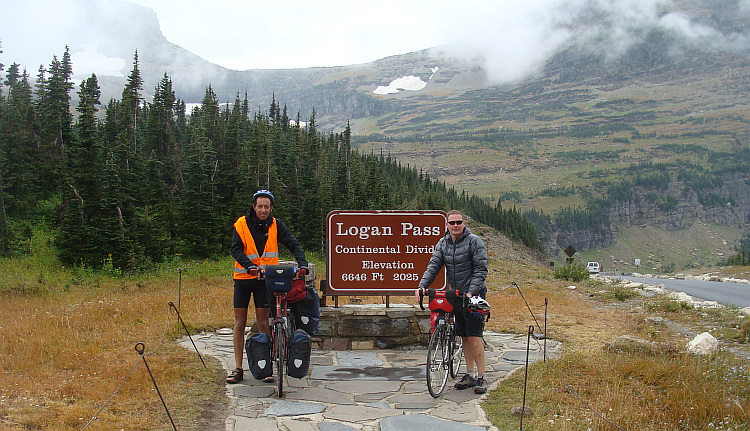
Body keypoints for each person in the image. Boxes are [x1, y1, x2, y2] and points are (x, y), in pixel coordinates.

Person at [227, 189, 308, 384]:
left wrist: (302, 264)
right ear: (253, 207)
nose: (263, 210)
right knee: (240, 323)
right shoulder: (241, 224)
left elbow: (293, 244)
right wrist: (249, 267)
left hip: (265, 281)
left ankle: (266, 366)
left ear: (271, 208)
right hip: (244, 279)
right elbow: (235, 249)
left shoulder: (276, 225)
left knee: (264, 322)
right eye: (260, 206)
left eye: (266, 207)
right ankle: (238, 368)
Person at [415, 210, 489, 394]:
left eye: (459, 222)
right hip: (455, 294)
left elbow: (481, 269)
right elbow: (434, 265)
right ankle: (469, 374)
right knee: (463, 335)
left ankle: (482, 377)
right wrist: (422, 286)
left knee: (474, 335)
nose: (455, 225)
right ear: (447, 225)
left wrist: (472, 292)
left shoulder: (474, 241)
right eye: (452, 223)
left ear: (464, 223)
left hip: (475, 294)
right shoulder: (443, 243)